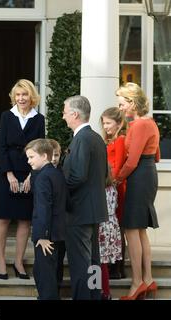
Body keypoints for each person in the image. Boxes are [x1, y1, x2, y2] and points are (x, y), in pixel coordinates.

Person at [0, 79, 45, 280]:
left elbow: (41, 150)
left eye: (24, 94)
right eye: (18, 95)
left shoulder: (39, 119)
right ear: (13, 97)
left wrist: (30, 176)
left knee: (25, 220)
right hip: (6, 172)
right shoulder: (6, 116)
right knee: (4, 218)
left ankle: (18, 261)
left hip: (29, 172)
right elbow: (1, 147)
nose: (21, 98)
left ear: (31, 96)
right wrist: (9, 174)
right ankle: (0, 261)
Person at [116, 82, 160, 300]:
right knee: (140, 230)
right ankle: (148, 279)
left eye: (122, 104)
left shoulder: (139, 125)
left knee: (132, 230)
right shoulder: (149, 122)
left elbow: (132, 161)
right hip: (147, 173)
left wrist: (117, 178)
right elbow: (158, 156)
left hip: (139, 175)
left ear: (132, 103)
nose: (120, 108)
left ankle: (136, 283)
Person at [61, 95, 108, 300]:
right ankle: (94, 296)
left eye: (64, 112)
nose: (63, 116)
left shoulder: (81, 138)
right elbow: (104, 174)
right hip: (93, 209)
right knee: (93, 261)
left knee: (81, 264)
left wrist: (60, 191)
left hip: (79, 211)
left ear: (75, 114)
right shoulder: (97, 137)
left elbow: (78, 175)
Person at [25, 139, 67, 300]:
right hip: (59, 232)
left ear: (44, 156)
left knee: (44, 276)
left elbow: (43, 208)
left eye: (31, 157)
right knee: (53, 274)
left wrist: (42, 236)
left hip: (47, 236)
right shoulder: (57, 173)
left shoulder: (42, 177)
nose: (29, 162)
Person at [100, 107, 128, 279]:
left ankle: (117, 267)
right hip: (108, 185)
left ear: (119, 123)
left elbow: (118, 166)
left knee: (117, 227)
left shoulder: (120, 140)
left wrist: (111, 182)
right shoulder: (109, 140)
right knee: (110, 227)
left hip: (116, 187)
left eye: (109, 123)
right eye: (103, 123)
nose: (106, 126)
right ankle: (110, 264)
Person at [98, 166, 123, 300]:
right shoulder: (113, 188)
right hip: (112, 225)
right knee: (103, 262)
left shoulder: (98, 190)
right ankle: (103, 291)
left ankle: (103, 292)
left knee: (99, 262)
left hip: (101, 226)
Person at [47, 138, 66, 295]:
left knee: (59, 259)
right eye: (52, 155)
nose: (54, 159)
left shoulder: (63, 172)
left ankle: (57, 289)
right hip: (48, 225)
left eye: (57, 155)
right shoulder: (40, 172)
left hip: (61, 225)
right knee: (48, 262)